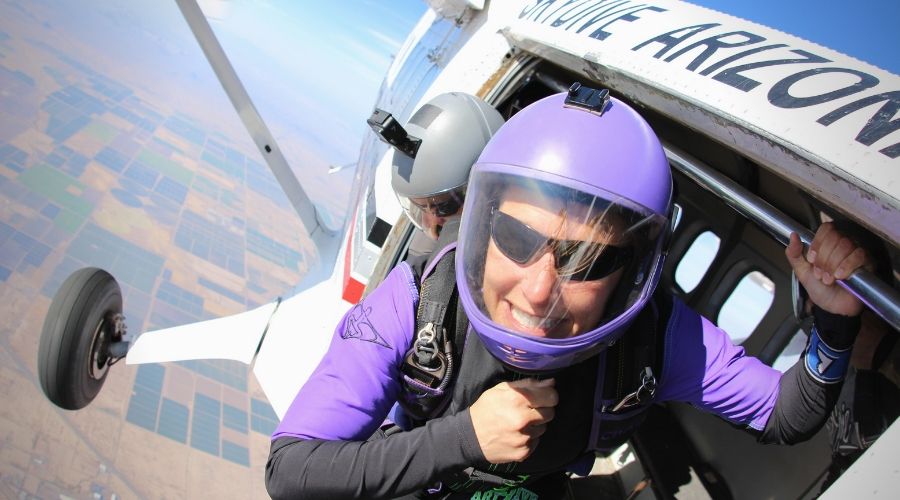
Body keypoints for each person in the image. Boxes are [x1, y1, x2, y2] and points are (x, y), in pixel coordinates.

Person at [266, 85, 873, 499]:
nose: (537, 291)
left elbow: (785, 414)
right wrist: (462, 438)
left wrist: (833, 323)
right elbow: (292, 468)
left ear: (631, 271)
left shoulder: (652, 337)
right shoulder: (420, 303)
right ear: (482, 223)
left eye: (589, 261)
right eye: (515, 236)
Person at [389, 92, 505, 246]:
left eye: (445, 207)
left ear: (491, 185)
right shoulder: (431, 258)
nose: (433, 225)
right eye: (420, 208)